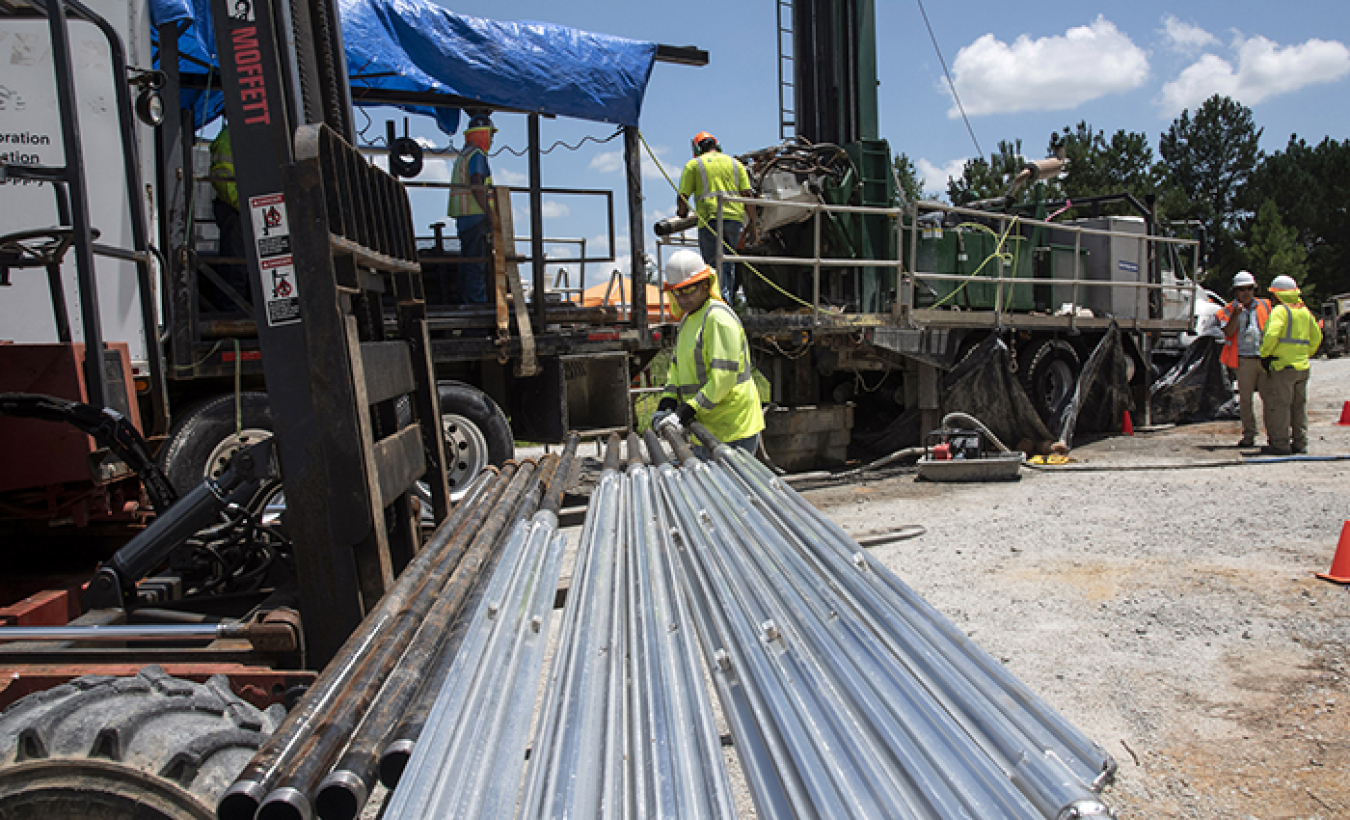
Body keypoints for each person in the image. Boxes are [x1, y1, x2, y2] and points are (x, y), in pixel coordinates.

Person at [652, 249, 765, 458]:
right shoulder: (688, 320)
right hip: (706, 426)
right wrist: (667, 401)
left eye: (689, 289)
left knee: (730, 489)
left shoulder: (717, 319)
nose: (682, 298)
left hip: (733, 427)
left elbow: (723, 378)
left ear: (706, 284)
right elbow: (676, 367)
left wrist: (687, 410)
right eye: (677, 292)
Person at [676, 131, 755, 304]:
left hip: (710, 220)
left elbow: (683, 197)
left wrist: (681, 213)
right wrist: (755, 224)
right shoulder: (735, 164)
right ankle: (727, 301)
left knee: (713, 265)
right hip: (735, 221)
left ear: (697, 148)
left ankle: (720, 302)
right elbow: (748, 194)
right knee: (727, 263)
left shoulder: (694, 165)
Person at [1258, 275, 1322, 455]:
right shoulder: (1304, 311)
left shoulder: (1280, 311)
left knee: (1281, 406)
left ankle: (1280, 444)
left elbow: (1271, 335)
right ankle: (1300, 443)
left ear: (1278, 295)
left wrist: (1265, 354)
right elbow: (1317, 336)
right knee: (1298, 407)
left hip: (1282, 367)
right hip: (1302, 367)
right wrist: (1305, 354)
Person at [1213, 270, 1271, 447]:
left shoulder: (1266, 305)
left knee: (1269, 399)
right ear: (1235, 292)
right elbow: (1228, 332)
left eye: (1249, 289)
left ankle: (1274, 437)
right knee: (1245, 401)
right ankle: (1249, 435)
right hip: (1244, 360)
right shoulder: (1227, 311)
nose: (1246, 293)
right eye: (1242, 289)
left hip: (1263, 358)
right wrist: (1236, 315)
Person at [448, 112, 497, 304]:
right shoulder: (476, 155)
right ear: (483, 134)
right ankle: (476, 304)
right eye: (490, 135)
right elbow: (477, 183)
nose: (492, 140)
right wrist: (490, 213)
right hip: (476, 217)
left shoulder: (463, 155)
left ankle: (466, 302)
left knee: (468, 263)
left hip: (465, 218)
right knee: (477, 265)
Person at [208, 125, 251, 308]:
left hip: (247, 209)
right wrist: (244, 205)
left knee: (249, 267)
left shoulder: (252, 136)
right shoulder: (230, 135)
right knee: (236, 267)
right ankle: (232, 313)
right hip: (235, 211)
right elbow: (221, 176)